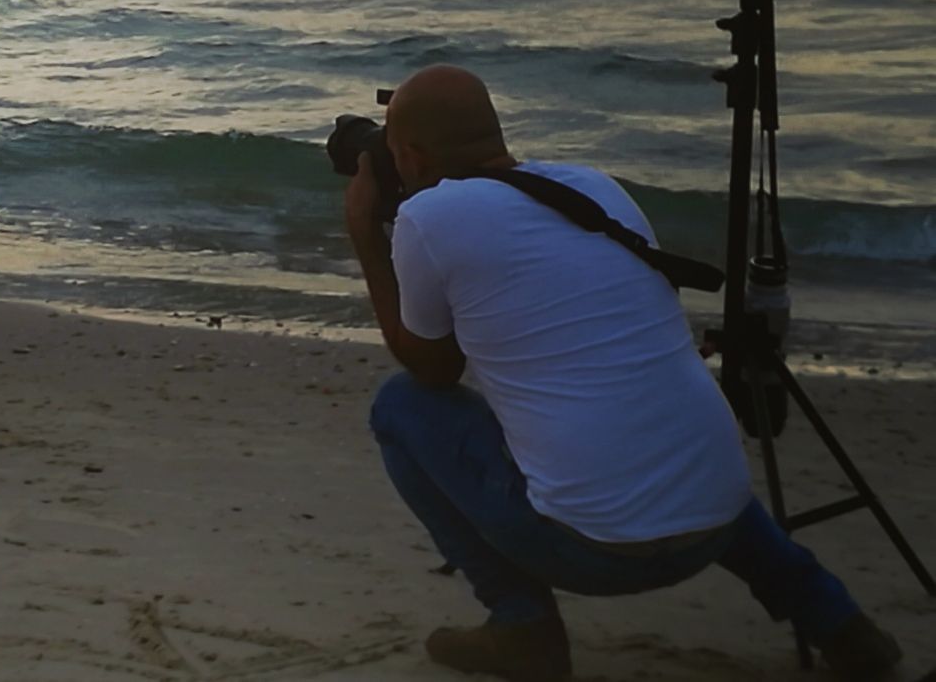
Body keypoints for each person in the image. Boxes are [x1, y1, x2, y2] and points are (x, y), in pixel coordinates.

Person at [343, 65, 901, 682]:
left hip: (596, 553)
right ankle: (838, 621)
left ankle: (522, 627)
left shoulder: (429, 218)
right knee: (663, 434)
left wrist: (367, 231)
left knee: (401, 406)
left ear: (413, 157)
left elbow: (435, 371)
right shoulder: (595, 187)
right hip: (721, 516)